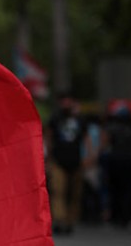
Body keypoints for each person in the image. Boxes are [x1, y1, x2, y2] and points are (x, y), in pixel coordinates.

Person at [45, 95, 85, 235]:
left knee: (74, 193)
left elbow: (86, 139)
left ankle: (70, 220)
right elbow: (49, 139)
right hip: (58, 161)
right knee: (58, 191)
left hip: (76, 161)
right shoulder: (55, 119)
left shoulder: (80, 120)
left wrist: (90, 156)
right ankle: (60, 220)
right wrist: (48, 159)